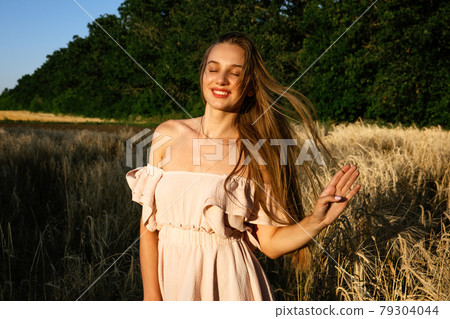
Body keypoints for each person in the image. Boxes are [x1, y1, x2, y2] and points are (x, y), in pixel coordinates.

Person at [126, 32, 361, 301]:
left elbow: (270, 244)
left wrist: (318, 221)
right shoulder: (167, 133)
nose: (221, 79)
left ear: (249, 86)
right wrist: (151, 298)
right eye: (213, 69)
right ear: (203, 75)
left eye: (234, 73)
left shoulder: (258, 152)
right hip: (171, 282)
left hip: (230, 285)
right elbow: (148, 228)